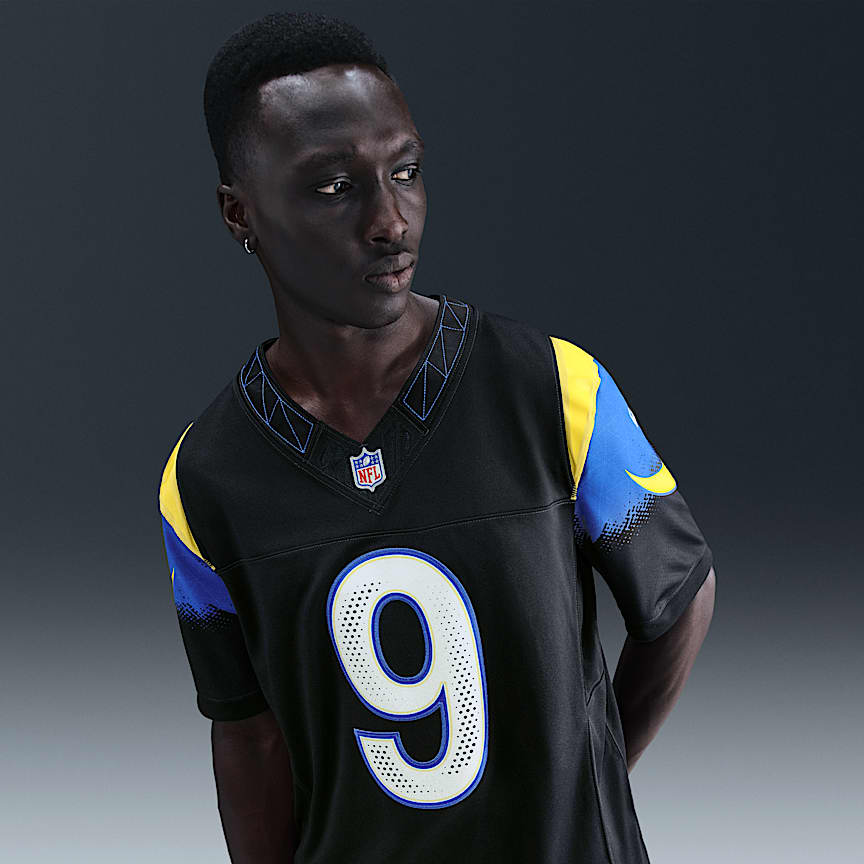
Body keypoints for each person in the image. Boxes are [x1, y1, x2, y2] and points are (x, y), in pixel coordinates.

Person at [157, 10, 716, 863]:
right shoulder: (206, 478)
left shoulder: (549, 388)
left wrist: (585, 783)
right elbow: (248, 735)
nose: (391, 220)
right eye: (334, 186)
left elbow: (680, 599)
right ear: (241, 214)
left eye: (406, 171)